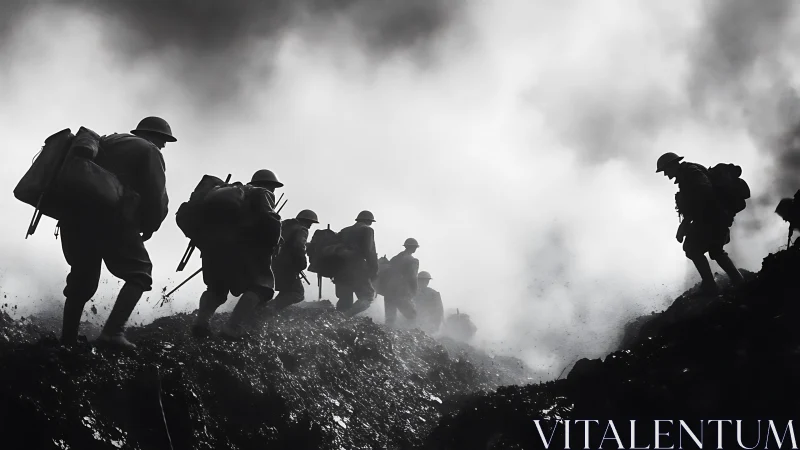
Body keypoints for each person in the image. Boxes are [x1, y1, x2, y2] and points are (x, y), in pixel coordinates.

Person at [60, 116, 175, 349]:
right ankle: (112, 333)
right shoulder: (149, 150)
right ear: (154, 136)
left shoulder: (106, 141)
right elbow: (155, 196)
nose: (163, 146)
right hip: (111, 219)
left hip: (73, 217)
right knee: (140, 273)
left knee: (81, 279)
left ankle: (67, 340)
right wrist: (151, 225)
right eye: (163, 140)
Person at [191, 169, 282, 338]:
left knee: (216, 288)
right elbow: (271, 219)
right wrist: (274, 244)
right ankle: (232, 328)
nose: (274, 191)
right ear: (268, 185)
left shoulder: (225, 193)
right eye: (273, 187)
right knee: (261, 286)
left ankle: (201, 324)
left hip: (212, 246)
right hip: (244, 248)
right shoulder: (262, 193)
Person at [656, 152, 744, 294]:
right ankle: (737, 281)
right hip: (715, 217)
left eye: (665, 170)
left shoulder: (690, 173)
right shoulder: (688, 172)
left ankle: (711, 285)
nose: (666, 174)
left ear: (672, 165)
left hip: (711, 218)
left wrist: (686, 222)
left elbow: (704, 194)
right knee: (715, 250)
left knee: (691, 248)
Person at [270, 209, 318, 311]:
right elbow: (298, 246)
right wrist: (301, 263)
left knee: (286, 291)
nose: (310, 226)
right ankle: (267, 310)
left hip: (273, 262)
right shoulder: (302, 229)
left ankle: (269, 312)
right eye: (310, 223)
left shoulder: (284, 225)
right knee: (297, 293)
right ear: (306, 221)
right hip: (287, 265)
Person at [333, 210, 378, 316]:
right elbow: (370, 251)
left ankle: (336, 320)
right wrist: (374, 270)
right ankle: (346, 316)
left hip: (340, 269)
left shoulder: (345, 230)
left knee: (345, 300)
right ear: (368, 221)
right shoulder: (367, 230)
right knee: (368, 297)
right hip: (357, 269)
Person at [382, 238, 420, 326]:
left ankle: (388, 334)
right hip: (401, 291)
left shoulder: (395, 258)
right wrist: (415, 291)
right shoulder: (413, 261)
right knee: (412, 315)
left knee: (390, 318)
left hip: (389, 290)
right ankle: (410, 335)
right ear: (414, 248)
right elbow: (413, 277)